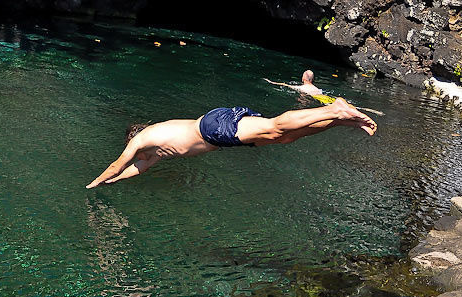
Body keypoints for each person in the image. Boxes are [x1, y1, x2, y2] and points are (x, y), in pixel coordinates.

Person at [85, 99, 376, 188]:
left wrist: (96, 181)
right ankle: (342, 121)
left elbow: (117, 164)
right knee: (284, 137)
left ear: (133, 136)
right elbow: (136, 169)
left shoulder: (142, 141)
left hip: (213, 128)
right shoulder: (153, 151)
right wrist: (113, 182)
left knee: (275, 126)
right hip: (219, 135)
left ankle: (334, 109)